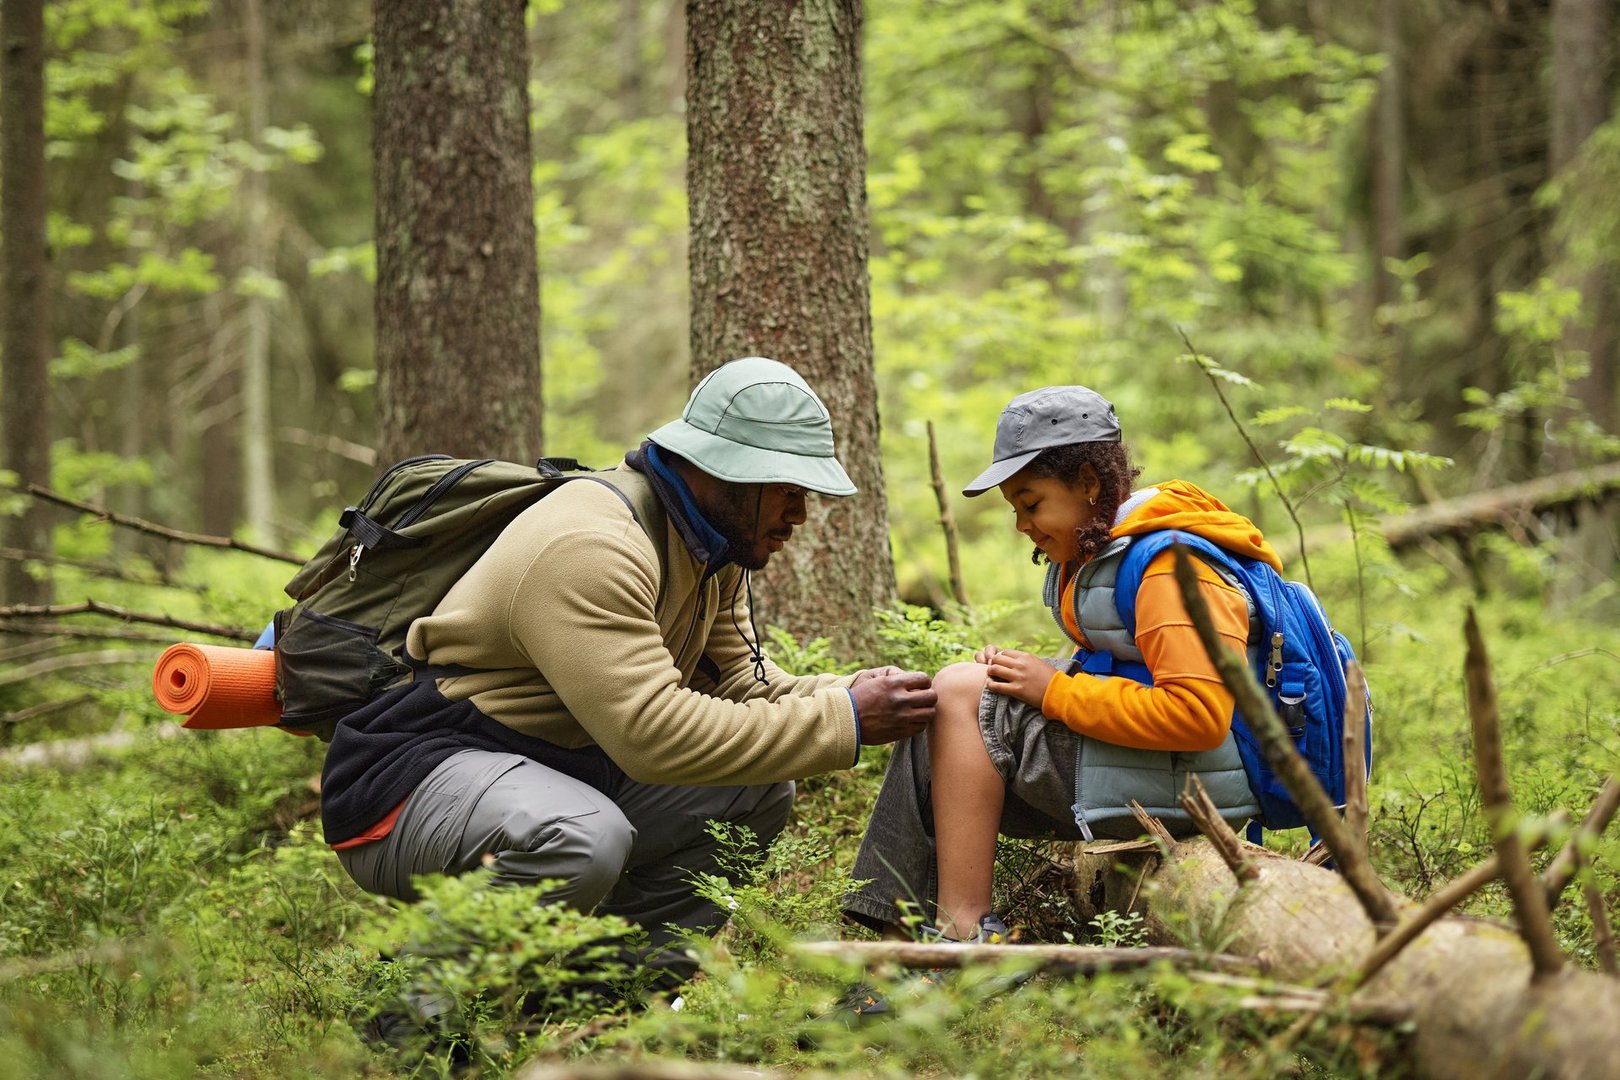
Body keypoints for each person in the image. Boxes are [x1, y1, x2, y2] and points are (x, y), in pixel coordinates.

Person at [320, 356, 938, 994]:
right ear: (725, 473)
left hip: (554, 773)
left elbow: (744, 688)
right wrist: (850, 718)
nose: (801, 515)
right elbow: (653, 733)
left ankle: (602, 1009)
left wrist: (856, 693)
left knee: (754, 791)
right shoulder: (593, 546)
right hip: (408, 787)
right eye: (788, 491)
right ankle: (406, 1016)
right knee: (582, 837)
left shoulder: (712, 551)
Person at [843, 385, 1263, 943]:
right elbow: (1132, 675)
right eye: (1016, 510)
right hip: (1157, 775)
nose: (1023, 526)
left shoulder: (1168, 568)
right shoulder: (1117, 552)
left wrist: (1053, 691)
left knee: (962, 694)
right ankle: (902, 939)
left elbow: (1199, 716)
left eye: (1031, 503)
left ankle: (962, 934)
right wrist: (1029, 678)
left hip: (1194, 792)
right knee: (950, 700)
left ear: (1088, 483)